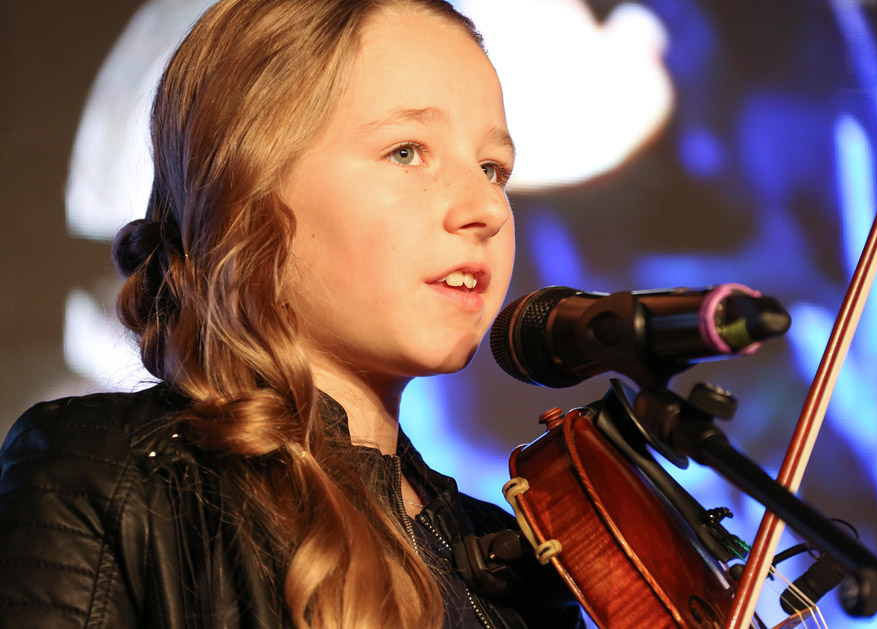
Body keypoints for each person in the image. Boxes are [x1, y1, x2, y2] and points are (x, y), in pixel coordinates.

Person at [0, 1, 584, 627]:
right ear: (248, 186)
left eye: (493, 168)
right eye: (408, 152)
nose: (487, 209)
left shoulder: (517, 567)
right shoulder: (108, 474)